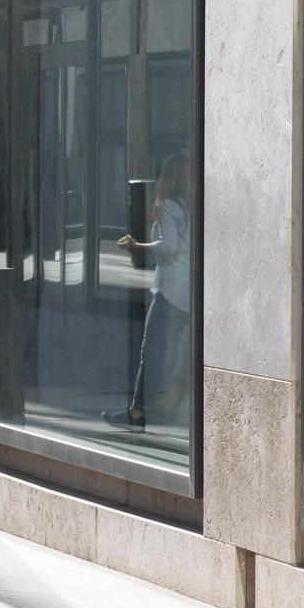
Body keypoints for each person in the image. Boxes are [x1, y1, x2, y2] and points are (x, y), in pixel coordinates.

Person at [111, 156, 193, 433]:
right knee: (176, 351)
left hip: (172, 290)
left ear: (167, 178)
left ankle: (136, 412)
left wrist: (137, 246)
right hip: (189, 290)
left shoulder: (169, 206)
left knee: (153, 351)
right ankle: (163, 404)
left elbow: (168, 247)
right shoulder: (191, 206)